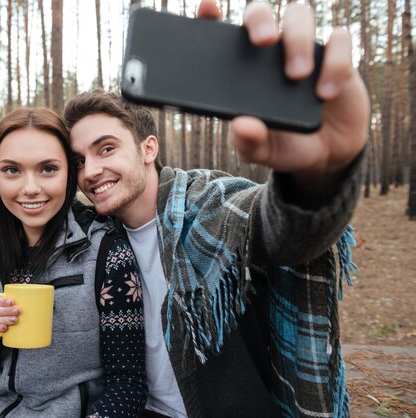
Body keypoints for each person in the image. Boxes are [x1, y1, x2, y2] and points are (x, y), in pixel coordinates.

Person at [64, 1, 369, 417]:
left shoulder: (209, 205)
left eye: (106, 149)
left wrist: (316, 178)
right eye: (79, 160)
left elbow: (278, 229)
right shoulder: (93, 238)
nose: (91, 171)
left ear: (148, 148)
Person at [0, 108, 147, 417]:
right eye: (12, 170)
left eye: (48, 169)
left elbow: (128, 384)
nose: (30, 188)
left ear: (69, 175)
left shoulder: (107, 253)